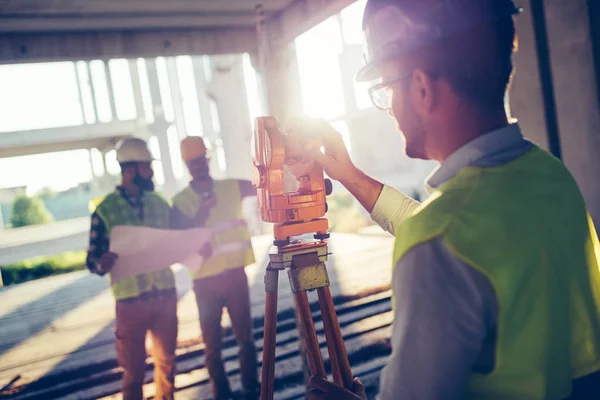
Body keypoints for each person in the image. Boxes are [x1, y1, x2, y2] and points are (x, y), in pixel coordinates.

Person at [299, 0, 600, 399]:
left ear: (421, 86)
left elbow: (443, 241)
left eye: (386, 87)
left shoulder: (440, 242)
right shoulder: (548, 176)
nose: (387, 106)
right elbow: (460, 235)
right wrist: (350, 175)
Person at [86, 137, 178, 400]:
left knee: (167, 365)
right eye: (147, 166)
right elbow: (91, 259)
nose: (151, 171)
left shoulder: (160, 204)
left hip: (164, 296)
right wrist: (100, 263)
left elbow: (176, 240)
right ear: (130, 169)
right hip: (130, 302)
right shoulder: (105, 210)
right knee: (133, 371)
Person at [171, 136, 259, 400]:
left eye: (200, 160)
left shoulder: (231, 187)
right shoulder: (181, 202)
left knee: (245, 338)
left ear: (207, 159)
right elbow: (179, 238)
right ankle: (222, 394)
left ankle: (252, 389)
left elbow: (261, 184)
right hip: (205, 282)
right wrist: (200, 212)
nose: (198, 166)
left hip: (234, 276)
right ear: (186, 165)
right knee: (212, 347)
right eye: (192, 162)